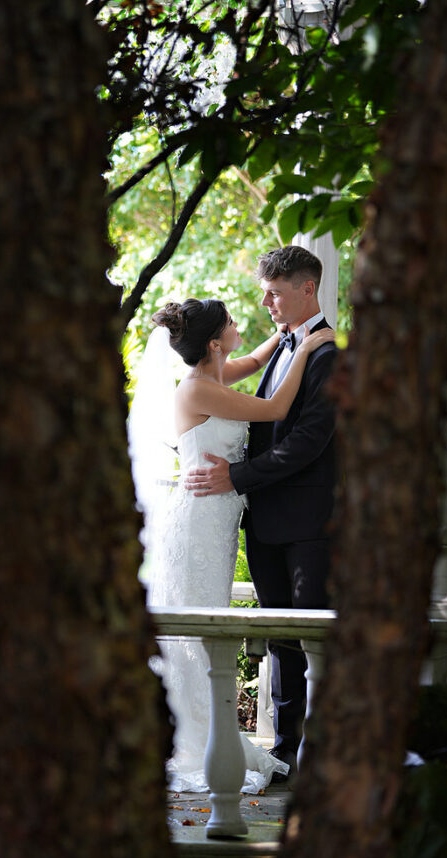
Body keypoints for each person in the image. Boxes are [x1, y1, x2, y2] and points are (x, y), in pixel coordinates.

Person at [129, 296, 334, 791]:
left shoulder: (215, 376)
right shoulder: (200, 389)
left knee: (203, 631)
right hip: (198, 525)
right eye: (232, 323)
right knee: (195, 638)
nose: (241, 323)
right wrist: (308, 348)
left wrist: (287, 338)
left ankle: (202, 731)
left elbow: (260, 360)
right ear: (216, 342)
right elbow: (276, 407)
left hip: (217, 523)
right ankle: (195, 740)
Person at [184, 246, 338, 772]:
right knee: (278, 637)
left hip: (309, 524)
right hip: (264, 520)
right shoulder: (288, 346)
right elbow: (265, 413)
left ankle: (316, 750)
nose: (265, 301)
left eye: (274, 292)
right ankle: (287, 747)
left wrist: (237, 475)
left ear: (307, 290)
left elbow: (310, 441)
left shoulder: (328, 354)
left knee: (308, 632)